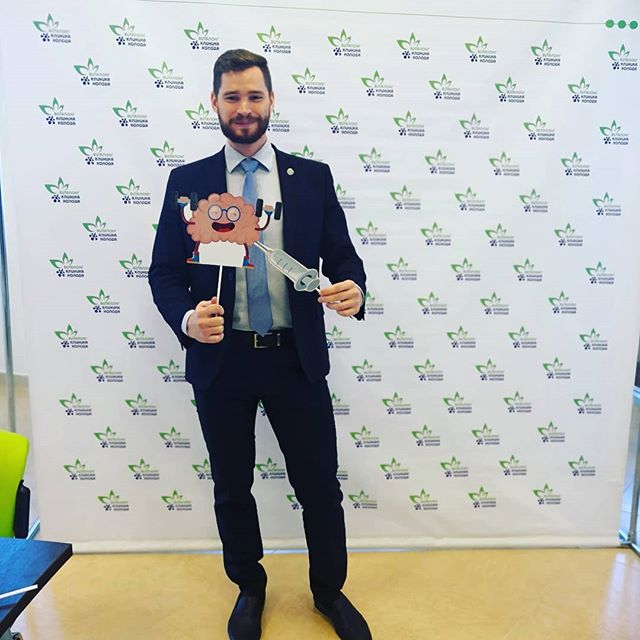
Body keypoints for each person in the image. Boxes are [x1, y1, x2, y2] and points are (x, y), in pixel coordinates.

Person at [149, 49, 371, 640]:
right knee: (232, 486)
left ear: (272, 100)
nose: (243, 108)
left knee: (319, 486)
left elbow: (343, 256)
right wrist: (187, 319)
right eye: (232, 97)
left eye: (254, 96)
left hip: (296, 359)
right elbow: (164, 272)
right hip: (222, 361)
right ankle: (249, 587)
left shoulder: (312, 177)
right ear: (214, 103)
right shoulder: (187, 182)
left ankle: (329, 592)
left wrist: (354, 289)